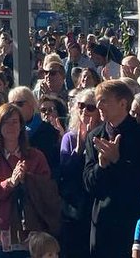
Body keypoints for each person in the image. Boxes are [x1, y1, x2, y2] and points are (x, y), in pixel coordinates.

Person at [82, 79, 140, 258]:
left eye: (104, 101)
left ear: (122, 103)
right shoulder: (94, 137)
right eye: (97, 101)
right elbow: (89, 184)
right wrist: (102, 166)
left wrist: (117, 161)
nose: (98, 106)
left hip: (133, 224)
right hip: (102, 225)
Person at [0, 102, 54, 255]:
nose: (11, 126)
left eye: (15, 122)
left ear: (21, 126)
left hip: (32, 234)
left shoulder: (36, 156)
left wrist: (27, 179)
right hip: (2, 235)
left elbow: (47, 191)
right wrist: (10, 182)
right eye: (6, 122)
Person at [58, 90, 98, 258]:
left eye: (90, 107)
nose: (84, 111)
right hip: (74, 206)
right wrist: (79, 148)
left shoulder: (103, 135)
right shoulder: (69, 137)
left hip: (95, 203)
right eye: (81, 106)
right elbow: (65, 170)